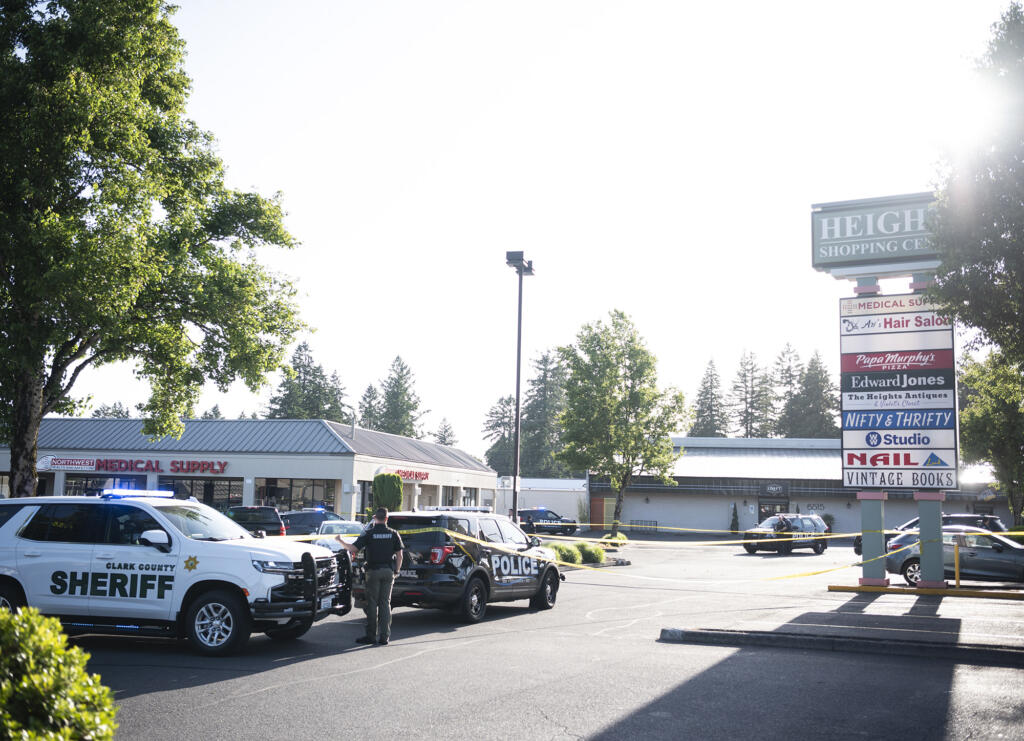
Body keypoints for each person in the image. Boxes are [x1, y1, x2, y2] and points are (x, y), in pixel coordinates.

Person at [340, 507, 404, 646]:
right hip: (388, 571)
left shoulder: (369, 533)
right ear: (386, 519)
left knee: (372, 604)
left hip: (373, 572)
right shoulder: (394, 534)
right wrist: (396, 571)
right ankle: (384, 637)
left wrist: (340, 541)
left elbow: (353, 549)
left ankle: (371, 636)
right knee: (385, 603)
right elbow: (400, 555)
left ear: (375, 518)